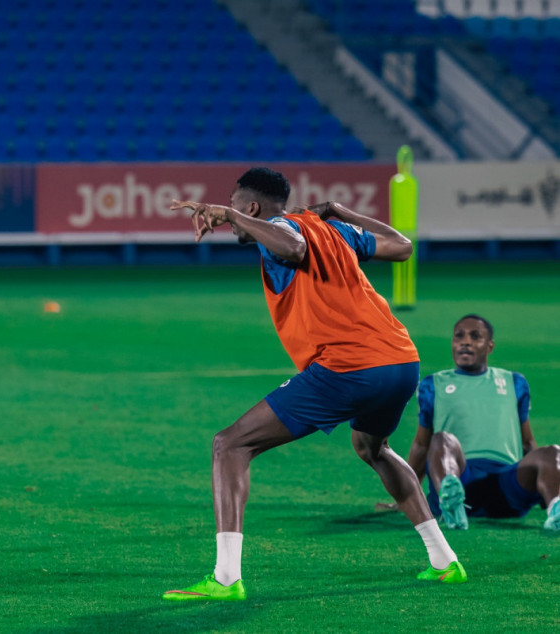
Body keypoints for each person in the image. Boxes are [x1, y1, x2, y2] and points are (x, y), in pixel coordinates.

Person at [162, 167, 465, 602]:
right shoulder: (333, 229)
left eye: (236, 205)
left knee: (230, 445)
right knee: (372, 448)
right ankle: (444, 561)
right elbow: (402, 247)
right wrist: (342, 212)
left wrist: (227, 214)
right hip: (400, 361)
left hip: (349, 367)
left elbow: (292, 246)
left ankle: (226, 579)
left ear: (251, 207)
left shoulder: (285, 231)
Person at [396, 314, 560, 531]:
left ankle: (556, 508)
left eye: (475, 337)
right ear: (453, 343)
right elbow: (421, 445)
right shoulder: (433, 384)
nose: (465, 341)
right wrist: (404, 498)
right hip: (459, 474)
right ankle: (452, 503)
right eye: (459, 336)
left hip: (505, 481)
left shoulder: (514, 382)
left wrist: (545, 484)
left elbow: (528, 443)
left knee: (552, 453)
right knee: (441, 440)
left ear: (489, 346)